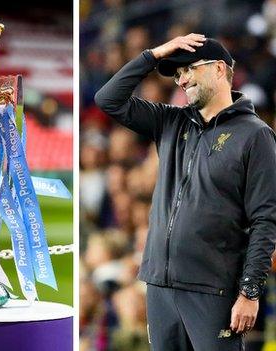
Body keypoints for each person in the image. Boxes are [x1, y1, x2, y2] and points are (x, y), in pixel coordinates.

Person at [95, 33, 276, 350]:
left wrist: (249, 292)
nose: (181, 80)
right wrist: (153, 55)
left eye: (189, 69)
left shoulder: (256, 135)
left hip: (213, 290)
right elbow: (108, 99)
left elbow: (266, 219)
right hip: (160, 287)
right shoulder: (171, 121)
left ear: (219, 69)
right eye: (177, 74)